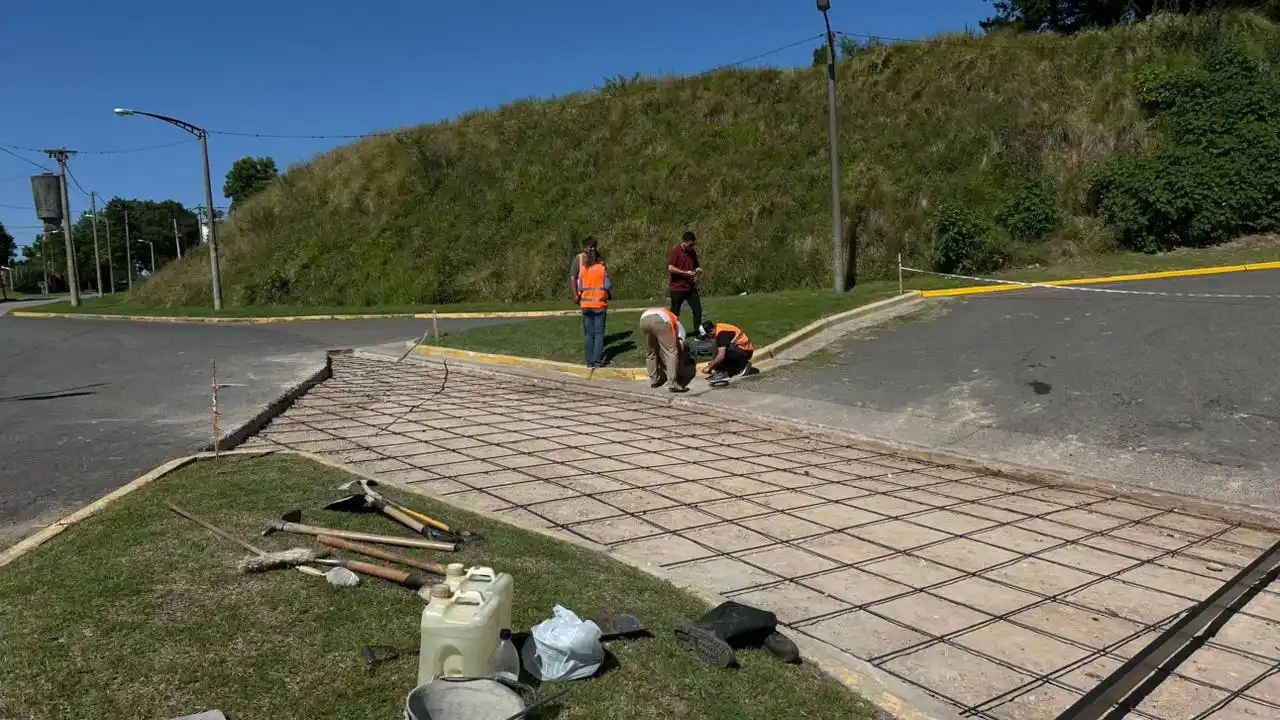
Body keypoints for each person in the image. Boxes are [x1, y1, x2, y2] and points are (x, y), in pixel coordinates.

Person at [638, 306, 696, 392]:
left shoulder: (667, 314)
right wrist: (682, 359)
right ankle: (672, 383)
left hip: (644, 320)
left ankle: (654, 380)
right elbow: (680, 344)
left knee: (651, 352)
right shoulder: (677, 324)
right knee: (671, 352)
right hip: (659, 321)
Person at [576, 241, 611, 368]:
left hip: (585, 306)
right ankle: (597, 360)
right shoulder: (601, 269)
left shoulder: (583, 269)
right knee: (599, 334)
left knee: (588, 335)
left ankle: (589, 361)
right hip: (599, 305)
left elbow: (579, 286)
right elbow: (607, 285)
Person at [667, 230, 703, 333]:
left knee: (697, 309)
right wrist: (685, 273)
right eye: (690, 244)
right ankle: (673, 333)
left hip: (690, 287)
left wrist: (697, 270)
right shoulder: (675, 252)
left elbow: (695, 266)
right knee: (675, 313)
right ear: (685, 242)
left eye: (693, 244)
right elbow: (670, 268)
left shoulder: (692, 252)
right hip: (677, 288)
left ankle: (698, 332)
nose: (692, 246)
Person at [700, 320, 753, 384]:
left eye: (707, 336)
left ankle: (726, 373)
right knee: (719, 347)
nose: (707, 338)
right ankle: (734, 367)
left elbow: (721, 356)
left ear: (711, 331)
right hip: (740, 350)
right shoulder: (718, 328)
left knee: (723, 352)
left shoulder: (721, 334)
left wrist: (710, 367)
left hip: (746, 352)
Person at [570, 237, 602, 303]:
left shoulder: (599, 260)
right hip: (582, 296)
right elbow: (573, 278)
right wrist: (574, 295)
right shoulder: (579, 258)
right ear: (585, 248)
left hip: (597, 297)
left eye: (594, 247)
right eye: (590, 247)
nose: (593, 249)